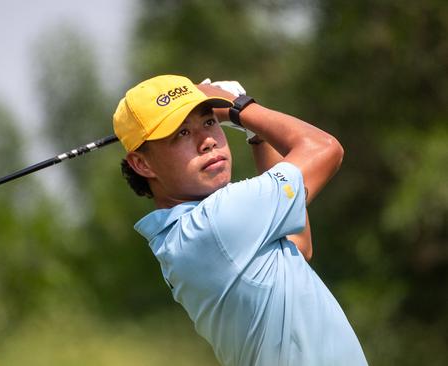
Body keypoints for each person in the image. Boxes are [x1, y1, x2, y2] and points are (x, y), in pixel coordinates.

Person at [112, 75, 368, 366]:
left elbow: (299, 246)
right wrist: (240, 107)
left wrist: (255, 136)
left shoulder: (182, 234)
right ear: (142, 163)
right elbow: (325, 148)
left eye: (209, 122)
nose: (207, 141)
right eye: (181, 134)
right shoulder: (215, 222)